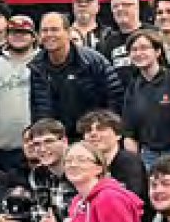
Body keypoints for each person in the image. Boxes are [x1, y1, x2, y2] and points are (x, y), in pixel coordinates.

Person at [29, 12, 123, 141]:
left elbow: (115, 98)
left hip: (92, 137)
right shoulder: (36, 67)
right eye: (44, 30)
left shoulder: (93, 61)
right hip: (56, 140)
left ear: (68, 32)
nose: (49, 34)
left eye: (55, 29)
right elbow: (38, 108)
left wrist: (102, 132)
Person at [122, 29, 170, 170]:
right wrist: (135, 165)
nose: (139, 53)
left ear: (157, 51)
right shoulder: (133, 87)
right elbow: (129, 132)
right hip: (147, 155)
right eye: (134, 50)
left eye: (144, 48)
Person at [0, 14, 36, 173]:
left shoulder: (43, 63)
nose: (18, 36)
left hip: (37, 147)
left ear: (33, 37)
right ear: (7, 35)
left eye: (23, 33)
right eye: (13, 32)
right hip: (1, 148)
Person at [78, 109, 148, 202]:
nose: (93, 134)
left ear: (118, 134)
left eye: (101, 129)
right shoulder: (83, 164)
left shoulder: (130, 164)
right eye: (88, 130)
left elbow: (131, 201)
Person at [97, 0, 147, 87]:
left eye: (125, 4)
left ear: (136, 7)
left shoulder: (153, 34)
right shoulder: (107, 42)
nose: (120, 9)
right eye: (115, 6)